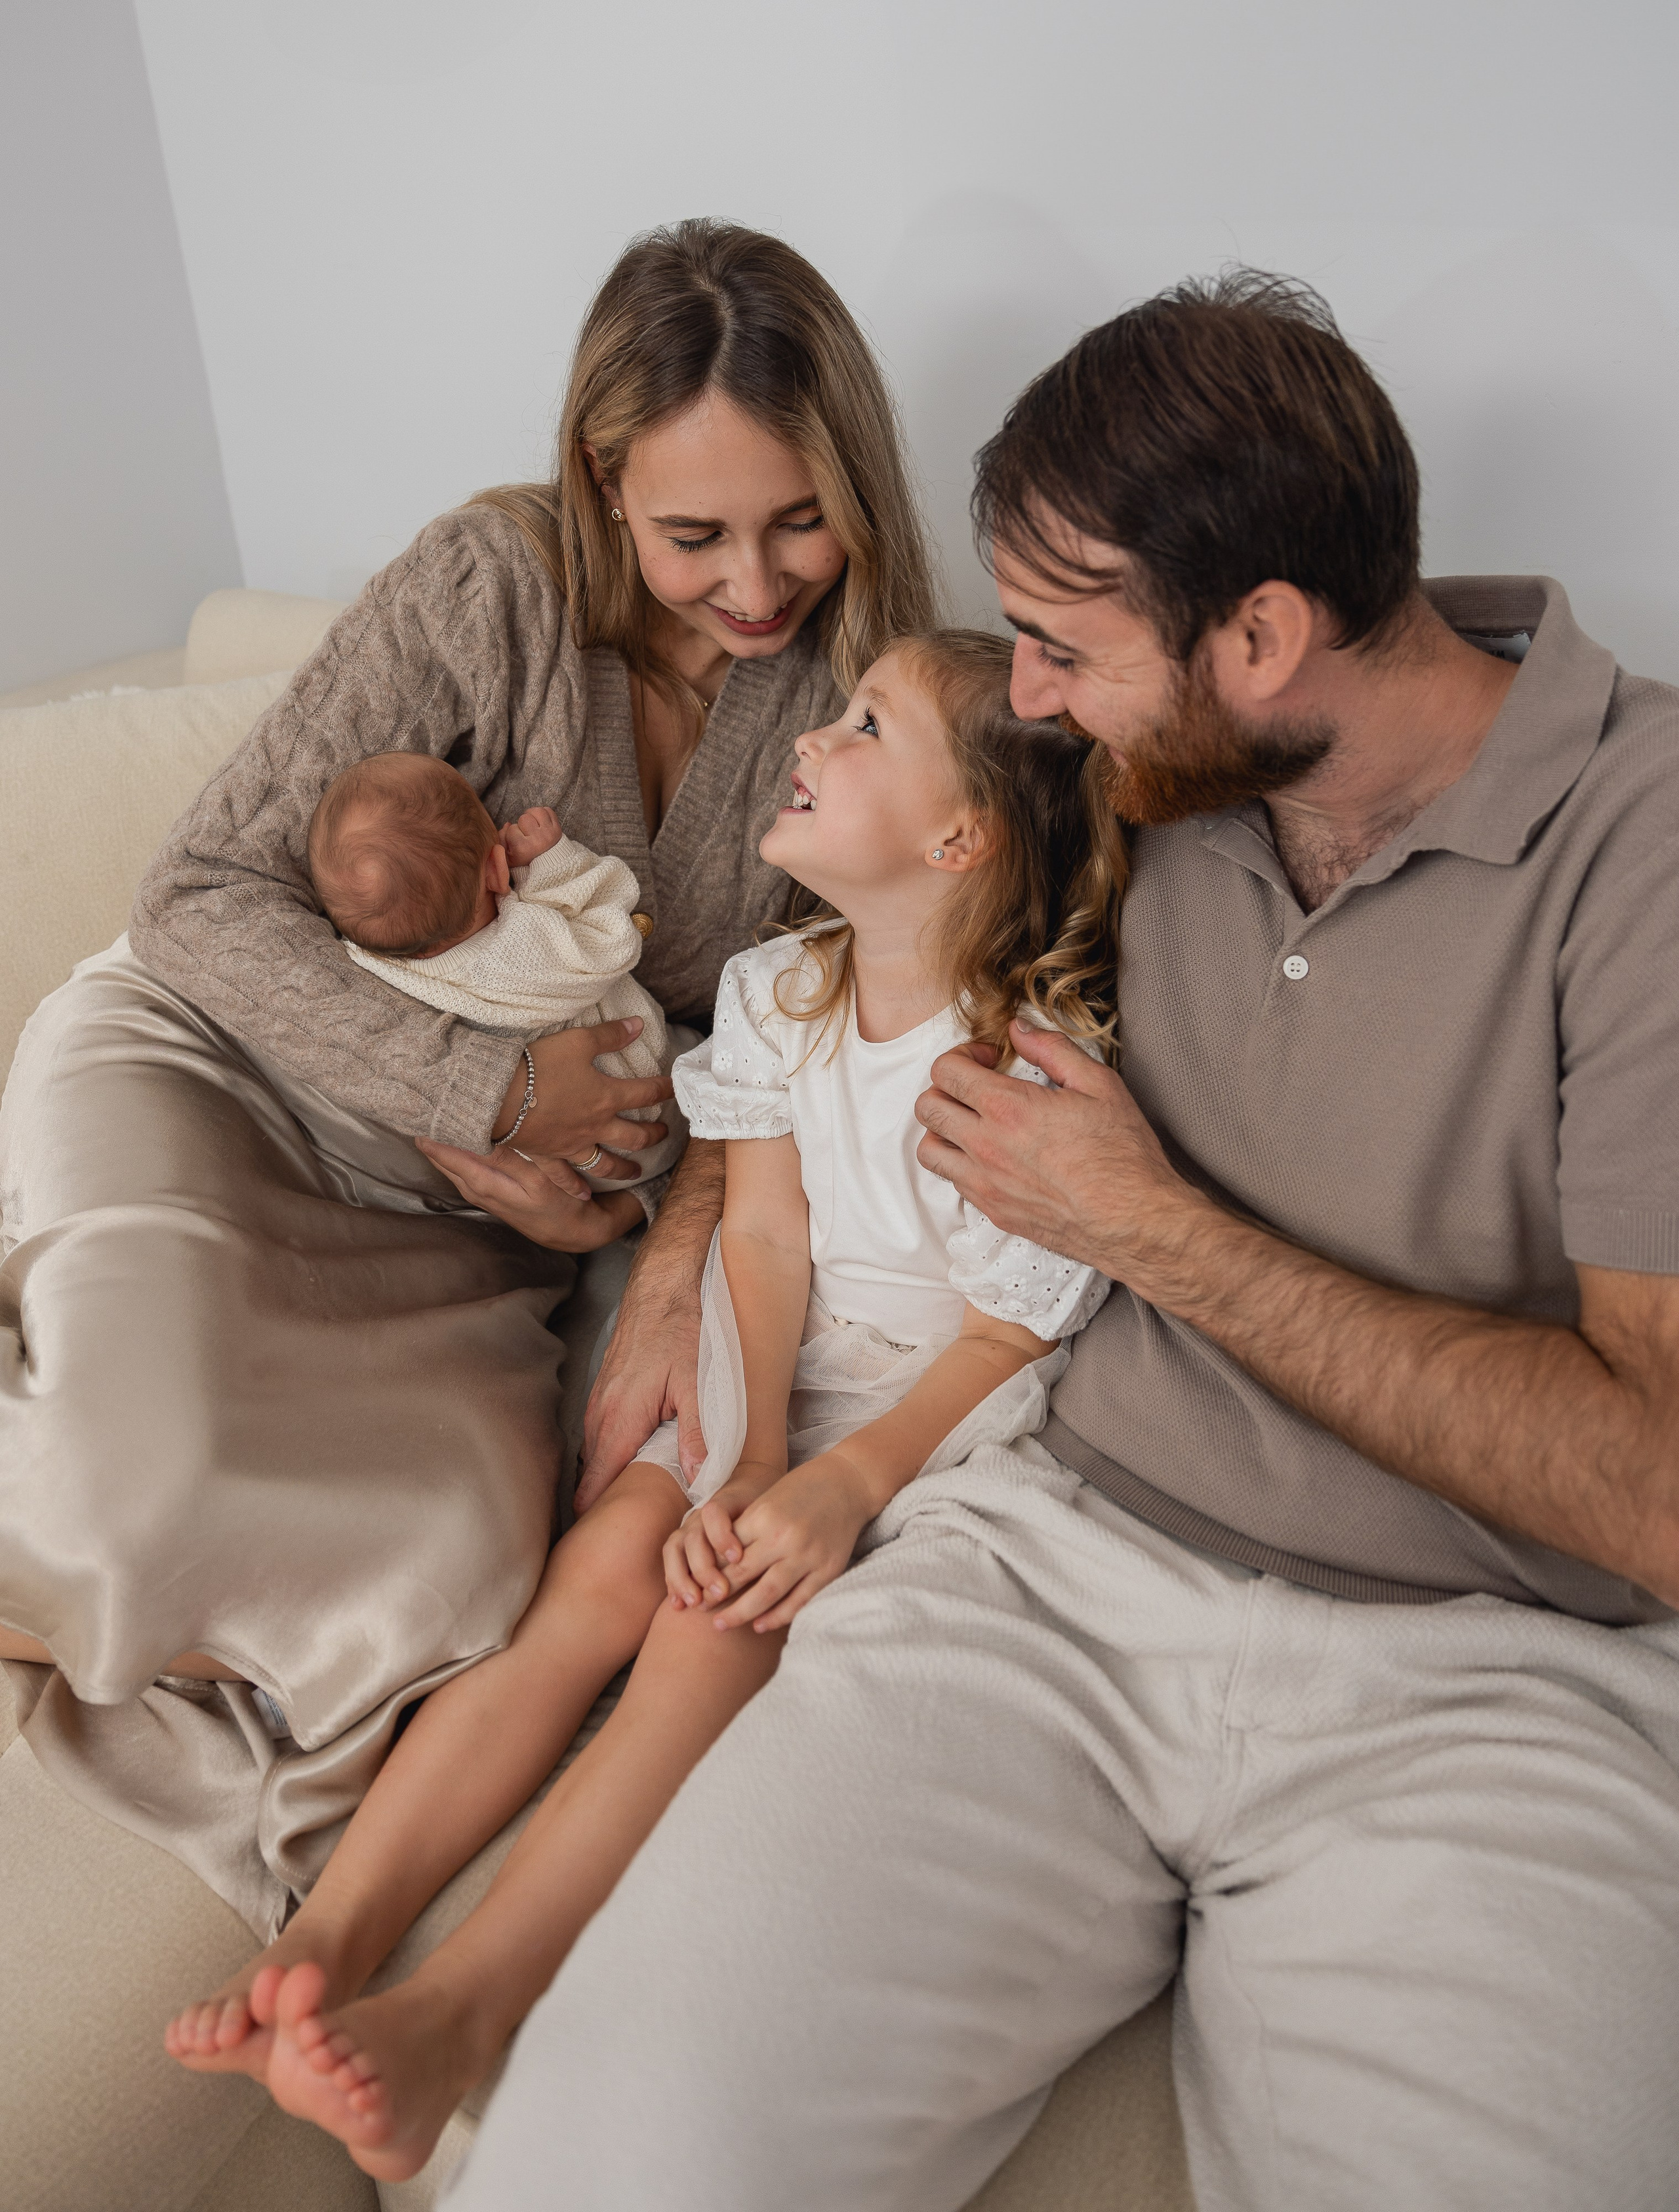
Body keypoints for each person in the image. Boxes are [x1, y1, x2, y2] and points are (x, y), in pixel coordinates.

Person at [448, 274, 1679, 2212]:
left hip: (1502, 1688)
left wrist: (1164, 1236)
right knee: (599, 2161)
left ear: (1264, 635)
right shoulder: (1143, 774)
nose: (1021, 697)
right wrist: (696, 1215)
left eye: (1057, 647)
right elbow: (823, 976)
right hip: (1035, 1569)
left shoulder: (1648, 845)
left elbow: (1659, 1483)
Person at [0, 217, 934, 2211]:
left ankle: (343, 1938)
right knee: (127, 1474)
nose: (755, 582)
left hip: (486, 1230)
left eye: (799, 524)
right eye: (697, 534)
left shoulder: (868, 707)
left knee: (446, 1573)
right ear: (606, 479)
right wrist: (472, 1093)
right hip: (228, 1078)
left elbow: (771, 1048)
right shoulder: (488, 584)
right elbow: (200, 898)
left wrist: (665, 1241)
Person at [163, 630, 1120, 2184]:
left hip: (933, 1427)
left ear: (959, 837)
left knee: (705, 1623)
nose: (811, 739)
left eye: (863, 726)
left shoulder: (1019, 1062)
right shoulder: (781, 993)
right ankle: (327, 1936)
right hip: (777, 1366)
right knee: (607, 1560)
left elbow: (1008, 1328)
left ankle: (467, 2008)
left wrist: (833, 1483)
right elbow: (758, 1236)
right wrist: (737, 1454)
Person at [309, 755, 684, 1206]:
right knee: (703, 1046)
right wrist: (553, 860)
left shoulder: (372, 967)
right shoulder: (529, 945)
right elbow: (612, 940)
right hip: (645, 1115)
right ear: (498, 870)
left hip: (538, 1172)